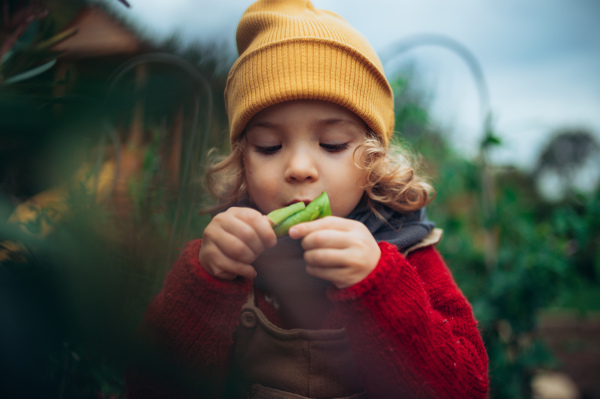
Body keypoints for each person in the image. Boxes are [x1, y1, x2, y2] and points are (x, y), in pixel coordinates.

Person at [126, 0, 489, 398]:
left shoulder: (407, 250)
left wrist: (379, 285)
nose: (299, 167)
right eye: (268, 146)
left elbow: (464, 389)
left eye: (331, 144)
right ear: (242, 161)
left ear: (372, 161)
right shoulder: (227, 258)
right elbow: (151, 385)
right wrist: (206, 283)